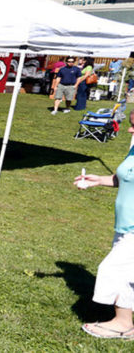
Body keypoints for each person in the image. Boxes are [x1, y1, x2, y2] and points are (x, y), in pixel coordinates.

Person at [73, 113, 134, 339]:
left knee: (112, 269)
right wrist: (97, 180)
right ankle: (125, 324)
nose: (129, 131)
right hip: (125, 225)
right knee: (127, 275)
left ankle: (122, 323)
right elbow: (123, 177)